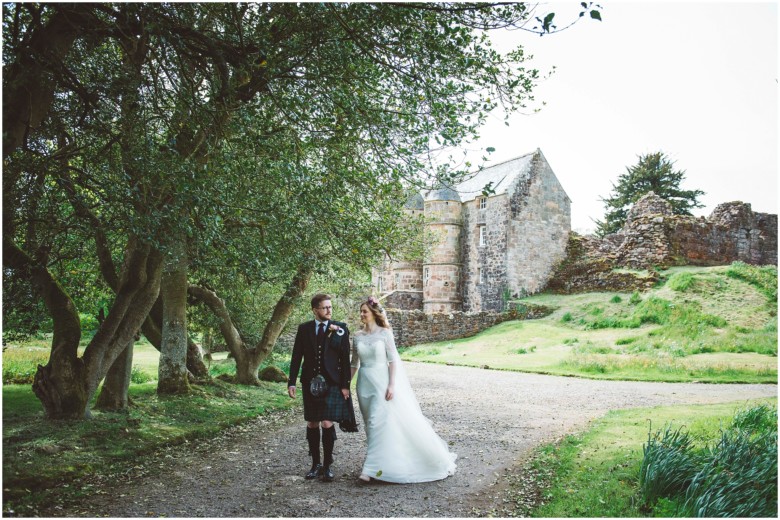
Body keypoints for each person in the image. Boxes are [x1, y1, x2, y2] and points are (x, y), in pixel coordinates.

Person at [350, 296, 457, 483]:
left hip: (382, 384)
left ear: (374, 313)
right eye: (361, 311)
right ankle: (385, 462)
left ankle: (369, 470)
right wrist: (345, 384)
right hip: (364, 385)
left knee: (377, 422)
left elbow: (392, 362)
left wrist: (392, 384)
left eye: (365, 311)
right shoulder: (357, 337)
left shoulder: (385, 334)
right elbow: (354, 363)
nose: (362, 314)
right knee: (371, 425)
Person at [288, 293, 356, 482]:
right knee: (312, 423)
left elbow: (344, 359)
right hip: (310, 383)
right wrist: (292, 381)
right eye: (325, 307)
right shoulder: (304, 329)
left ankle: (327, 465)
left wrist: (345, 385)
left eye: (330, 307)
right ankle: (315, 464)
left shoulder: (340, 329)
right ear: (315, 310)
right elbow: (296, 356)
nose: (329, 310)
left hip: (332, 383)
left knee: (327, 422)